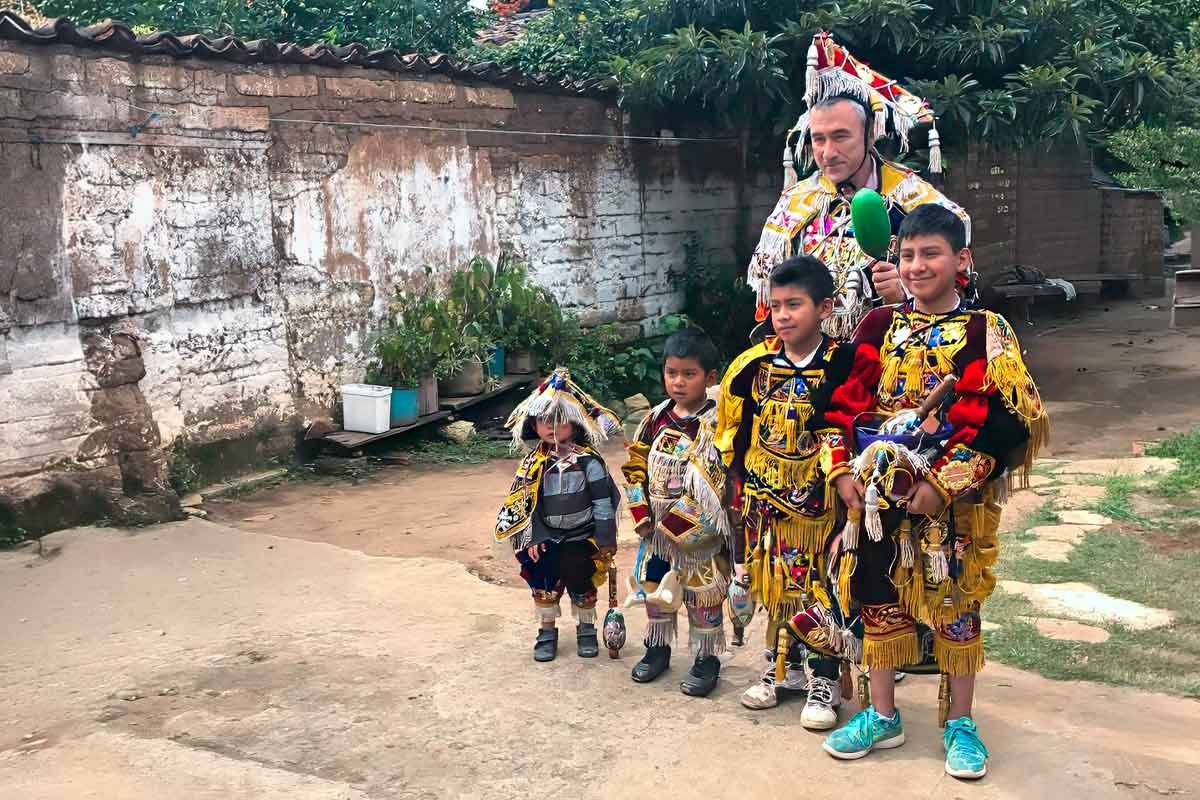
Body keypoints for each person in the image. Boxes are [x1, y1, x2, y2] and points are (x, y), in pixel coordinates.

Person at [820, 203, 1050, 779]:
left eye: (931, 254)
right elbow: (841, 406)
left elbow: (1005, 422)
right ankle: (882, 715)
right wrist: (842, 472)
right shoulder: (876, 326)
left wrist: (942, 486)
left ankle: (960, 723)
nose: (917, 266)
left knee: (955, 606)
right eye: (907, 255)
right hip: (875, 500)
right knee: (877, 599)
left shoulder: (985, 330)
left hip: (952, 506)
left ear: (961, 259)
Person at [714, 255, 881, 729]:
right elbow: (732, 430)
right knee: (774, 585)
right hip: (765, 500)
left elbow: (853, 427)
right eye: (776, 306)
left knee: (821, 587)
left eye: (795, 305)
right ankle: (779, 669)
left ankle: (823, 680)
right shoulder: (752, 365)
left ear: (825, 308)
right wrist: (737, 487)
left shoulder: (845, 362)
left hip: (822, 502)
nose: (783, 316)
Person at [747, 32, 971, 339]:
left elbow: (961, 294)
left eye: (841, 137)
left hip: (892, 351)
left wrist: (905, 294)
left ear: (870, 135)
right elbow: (771, 298)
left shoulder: (914, 199)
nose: (828, 152)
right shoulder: (796, 202)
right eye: (818, 139)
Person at [621, 328, 733, 697]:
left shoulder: (719, 424)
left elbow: (725, 478)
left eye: (689, 374)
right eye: (671, 373)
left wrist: (698, 521)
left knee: (703, 596)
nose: (678, 382)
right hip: (656, 531)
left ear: (710, 377)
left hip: (700, 533)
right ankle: (657, 649)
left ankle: (706, 659)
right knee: (656, 592)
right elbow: (635, 465)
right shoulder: (655, 419)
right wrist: (641, 513)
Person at [494, 367, 623, 662]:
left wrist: (605, 538)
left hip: (582, 537)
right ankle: (547, 632)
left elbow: (602, 502)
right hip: (545, 538)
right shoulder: (532, 463)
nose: (552, 426)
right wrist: (533, 537)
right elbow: (524, 504)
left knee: (582, 580)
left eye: (560, 420)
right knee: (543, 582)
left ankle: (586, 629)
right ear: (533, 424)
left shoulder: (589, 462)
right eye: (544, 420)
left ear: (576, 424)